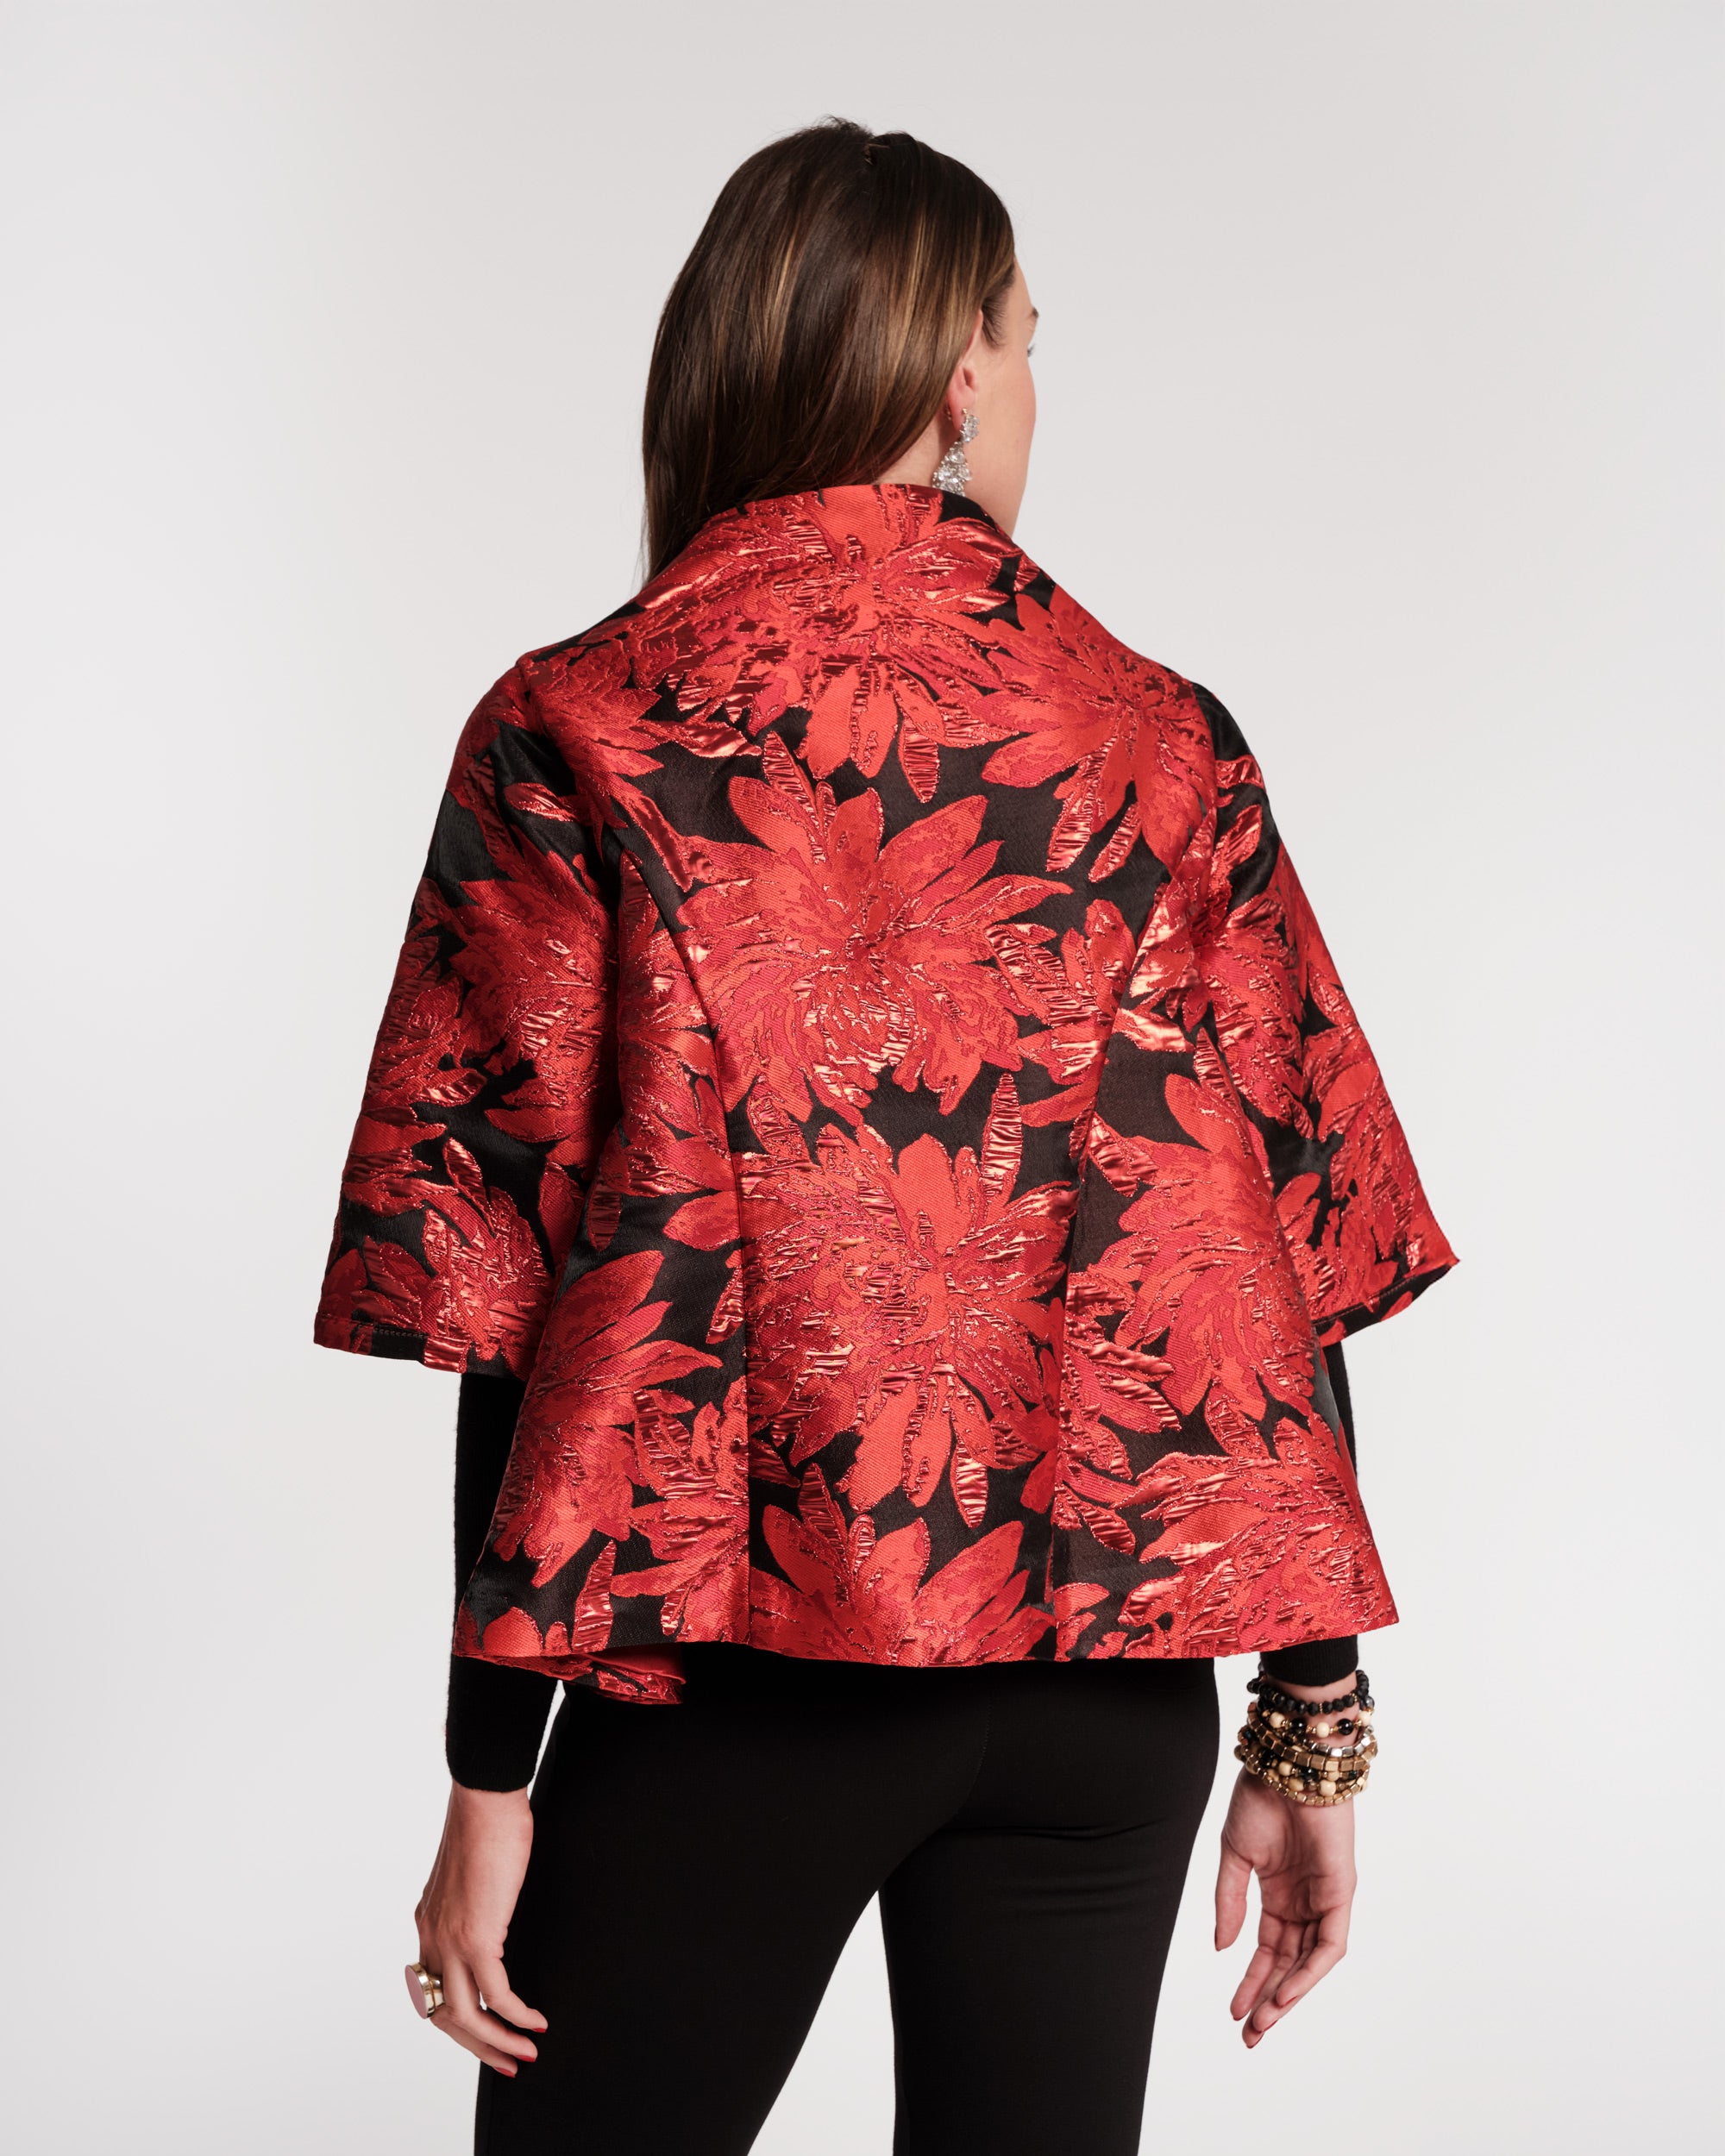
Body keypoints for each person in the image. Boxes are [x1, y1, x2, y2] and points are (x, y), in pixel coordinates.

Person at [314, 117, 1455, 2156]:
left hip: (735, 1678)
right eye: (1028, 340)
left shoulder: (578, 724)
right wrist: (1311, 1716)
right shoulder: (1165, 737)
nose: (1032, 390)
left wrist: (492, 1764)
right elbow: (1264, 1263)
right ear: (952, 378)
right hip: (1103, 1695)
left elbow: (518, 1296)